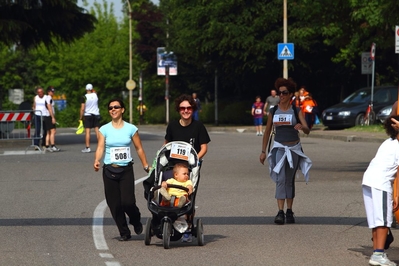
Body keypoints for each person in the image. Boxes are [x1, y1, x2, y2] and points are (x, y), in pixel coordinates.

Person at [94, 98, 150, 242]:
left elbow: (139, 148)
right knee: (115, 205)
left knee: (127, 202)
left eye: (116, 107)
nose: (113, 109)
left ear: (122, 110)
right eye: (110, 107)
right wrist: (97, 160)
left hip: (126, 170)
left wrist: (145, 165)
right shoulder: (104, 129)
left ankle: (136, 219)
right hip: (109, 170)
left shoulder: (131, 128)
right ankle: (124, 232)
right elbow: (100, 147)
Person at [259, 77, 312, 225]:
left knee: (289, 180)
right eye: (279, 92)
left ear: (290, 95)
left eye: (284, 92)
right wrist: (263, 151)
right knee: (280, 178)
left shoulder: (296, 110)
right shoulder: (273, 110)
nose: (281, 95)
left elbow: (307, 130)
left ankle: (289, 210)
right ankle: (280, 212)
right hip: (279, 149)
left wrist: (302, 127)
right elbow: (267, 131)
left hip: (294, 148)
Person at [165, 94, 210, 242]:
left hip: (190, 169)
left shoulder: (198, 126)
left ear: (193, 109)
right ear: (178, 109)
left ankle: (188, 228)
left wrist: (195, 159)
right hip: (173, 167)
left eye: (189, 108)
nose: (186, 111)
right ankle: (167, 221)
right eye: (183, 108)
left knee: (188, 196)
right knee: (170, 193)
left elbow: (204, 147)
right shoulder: (172, 126)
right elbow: (166, 145)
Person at [362, 115, 399, 266]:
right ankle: (378, 255)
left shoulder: (388, 143)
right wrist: (396, 195)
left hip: (369, 180)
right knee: (383, 220)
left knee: (376, 220)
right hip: (380, 182)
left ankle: (377, 252)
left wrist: (396, 194)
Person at [80, 83, 100, 153]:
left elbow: (82, 108)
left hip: (88, 114)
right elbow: (95, 92)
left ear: (85, 89)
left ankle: (87, 147)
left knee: (88, 132)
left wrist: (80, 117)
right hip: (96, 114)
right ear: (92, 89)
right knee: (97, 131)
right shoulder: (95, 95)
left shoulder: (84, 97)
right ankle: (100, 146)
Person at [44, 86, 60, 152]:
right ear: (48, 92)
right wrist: (53, 117)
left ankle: (47, 146)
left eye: (53, 91)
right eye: (51, 91)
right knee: (53, 131)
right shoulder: (49, 98)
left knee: (48, 132)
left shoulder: (48, 98)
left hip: (47, 116)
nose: (53, 92)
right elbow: (49, 108)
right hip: (49, 116)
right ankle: (53, 146)